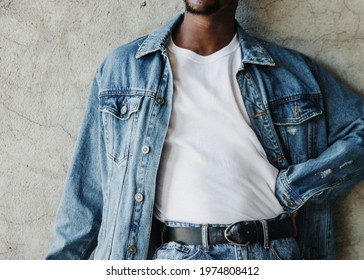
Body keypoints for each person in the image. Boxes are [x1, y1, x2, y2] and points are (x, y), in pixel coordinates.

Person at [46, 0, 364, 260]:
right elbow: (85, 195)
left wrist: (296, 189)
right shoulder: (124, 71)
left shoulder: (291, 73)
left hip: (269, 254)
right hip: (175, 257)